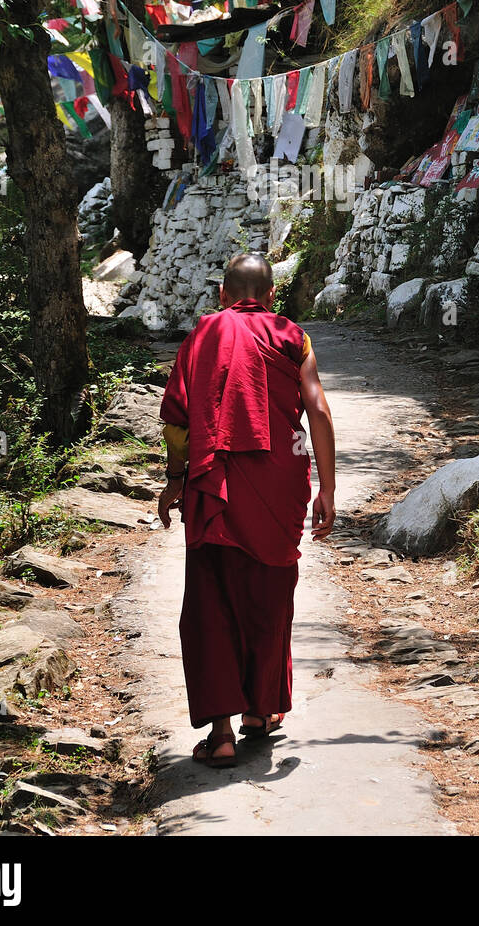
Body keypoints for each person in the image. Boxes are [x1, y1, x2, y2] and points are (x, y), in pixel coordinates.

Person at [157, 251, 336, 769]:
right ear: (273, 297)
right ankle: (260, 711)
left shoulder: (202, 336)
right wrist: (327, 486)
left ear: (222, 295)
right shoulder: (293, 337)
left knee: (212, 603)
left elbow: (177, 422)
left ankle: (223, 734)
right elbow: (318, 408)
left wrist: (174, 481)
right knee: (269, 592)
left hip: (217, 486)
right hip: (280, 484)